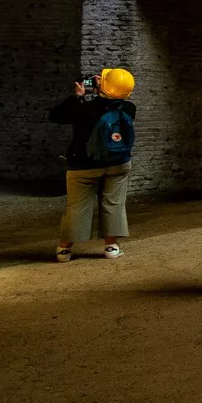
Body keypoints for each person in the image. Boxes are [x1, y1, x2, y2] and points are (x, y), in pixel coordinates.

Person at [49, 66, 136, 262]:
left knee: (77, 206)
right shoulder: (129, 109)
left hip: (83, 165)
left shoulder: (83, 108)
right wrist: (103, 90)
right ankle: (111, 248)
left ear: (102, 86)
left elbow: (55, 116)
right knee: (114, 204)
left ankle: (64, 250)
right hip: (118, 164)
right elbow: (111, 104)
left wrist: (78, 96)